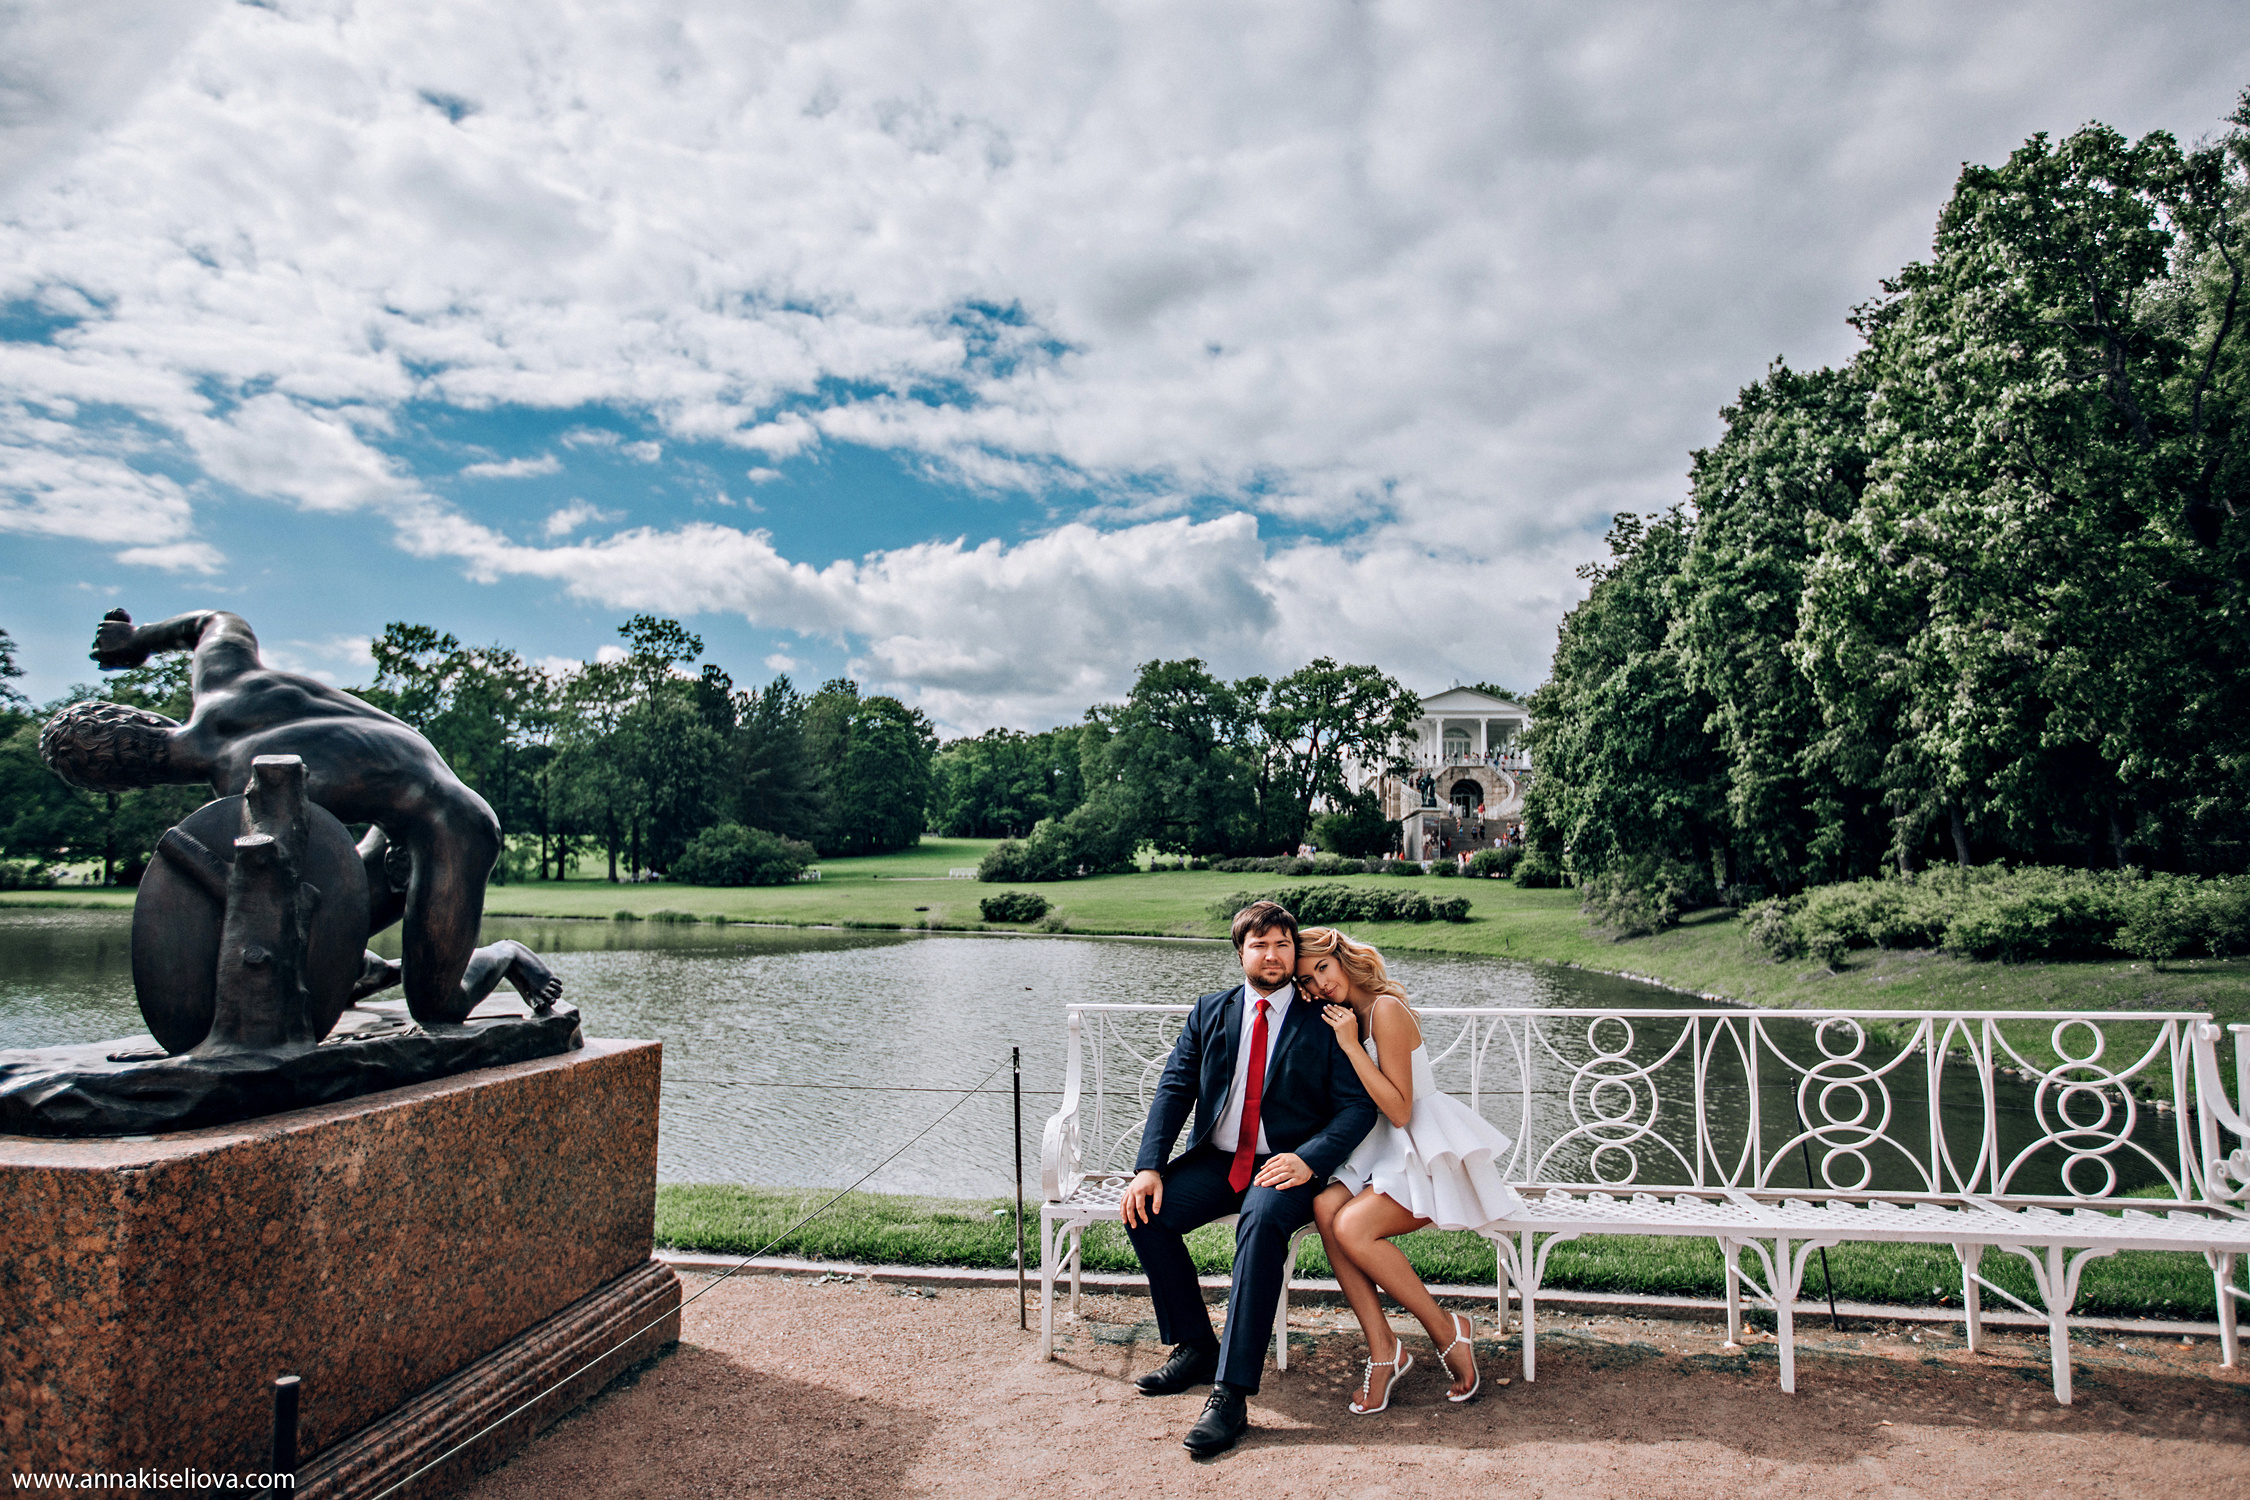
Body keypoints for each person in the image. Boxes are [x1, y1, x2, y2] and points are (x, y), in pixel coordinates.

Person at [40, 608, 561, 1025]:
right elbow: (212, 621)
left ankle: (506, 955)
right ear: (139, 717)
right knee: (325, 944)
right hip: (400, 822)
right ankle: (370, 971)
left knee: (437, 1010)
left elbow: (272, 902)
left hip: (453, 829)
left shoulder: (246, 786)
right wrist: (135, 640)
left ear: (128, 783)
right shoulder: (225, 679)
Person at [1119, 900, 1377, 1458]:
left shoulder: (1323, 1017)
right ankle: (1195, 1346)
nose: (1273, 954)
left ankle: (1230, 1393)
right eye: (1260, 945)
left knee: (1259, 1226)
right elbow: (1174, 1088)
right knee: (1145, 1214)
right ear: (1241, 953)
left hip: (1288, 1164)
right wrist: (1148, 1168)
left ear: (1293, 951)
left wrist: (1310, 1159)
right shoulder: (1211, 1010)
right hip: (1219, 1160)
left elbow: (1357, 1108)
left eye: (1283, 944)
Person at [1298, 926, 1525, 1412]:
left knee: (1353, 1228)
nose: (1320, 984)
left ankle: (1447, 1330)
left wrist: (1351, 1045)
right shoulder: (1345, 1016)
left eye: (1323, 968)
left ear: (1341, 957)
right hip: (1381, 1147)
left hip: (1423, 1145)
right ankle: (1383, 1347)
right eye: (1308, 980)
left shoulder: (1384, 1010)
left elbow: (1401, 1110)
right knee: (1324, 1206)